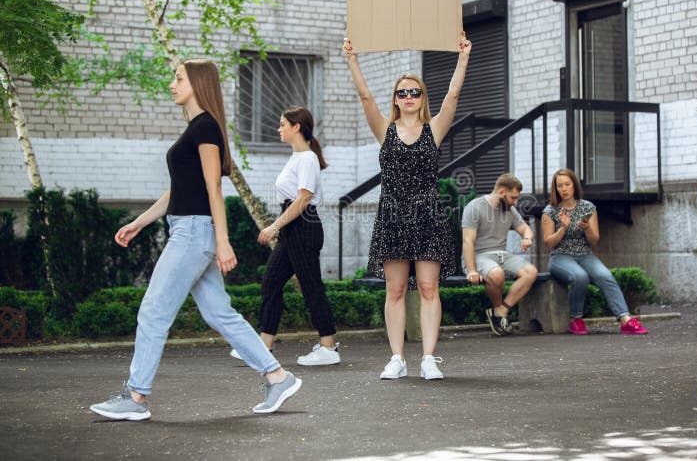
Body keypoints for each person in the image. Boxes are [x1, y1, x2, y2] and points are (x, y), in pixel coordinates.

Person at [90, 59, 301, 421]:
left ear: (198, 84)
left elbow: (213, 187)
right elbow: (179, 190)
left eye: (178, 78)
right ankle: (277, 376)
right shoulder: (195, 129)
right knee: (220, 312)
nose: (172, 84)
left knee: (154, 311)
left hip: (193, 233)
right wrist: (140, 221)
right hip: (188, 228)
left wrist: (223, 240)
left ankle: (136, 397)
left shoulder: (205, 128)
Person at [343, 32, 472, 380]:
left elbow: (453, 96)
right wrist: (352, 59)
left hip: (427, 214)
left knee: (430, 289)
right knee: (395, 290)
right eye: (403, 92)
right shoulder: (384, 129)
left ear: (422, 97)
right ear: (396, 99)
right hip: (393, 215)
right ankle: (397, 358)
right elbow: (365, 95)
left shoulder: (434, 129)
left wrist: (462, 57)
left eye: (415, 91)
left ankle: (429, 358)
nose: (409, 96)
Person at [248, 106, 340, 366]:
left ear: (296, 127)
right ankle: (264, 346)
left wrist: (273, 227)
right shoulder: (297, 157)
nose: (278, 129)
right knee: (271, 283)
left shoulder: (307, 159)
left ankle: (329, 347)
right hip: (293, 229)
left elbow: (303, 199)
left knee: (311, 287)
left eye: (282, 124)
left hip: (303, 227)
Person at [541, 168, 648, 335]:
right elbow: (549, 243)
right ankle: (576, 320)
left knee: (605, 276)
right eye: (559, 185)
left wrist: (587, 228)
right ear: (555, 188)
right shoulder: (550, 210)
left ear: (574, 185)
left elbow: (594, 240)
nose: (564, 189)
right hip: (560, 257)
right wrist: (563, 228)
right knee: (579, 276)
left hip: (584, 254)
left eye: (567, 184)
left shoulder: (588, 207)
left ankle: (625, 319)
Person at [461, 173, 539, 336]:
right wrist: (471, 270)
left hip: (502, 255)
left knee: (531, 272)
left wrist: (526, 238)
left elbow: (526, 229)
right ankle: (498, 310)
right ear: (502, 192)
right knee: (497, 274)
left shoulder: (510, 209)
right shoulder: (475, 207)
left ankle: (500, 311)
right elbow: (468, 241)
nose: (515, 202)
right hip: (478, 256)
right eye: (513, 198)